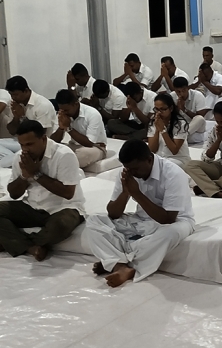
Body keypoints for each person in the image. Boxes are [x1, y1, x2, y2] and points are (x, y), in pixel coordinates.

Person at [83, 139, 194, 287]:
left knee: (170, 234)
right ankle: (119, 265)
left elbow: (168, 219)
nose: (132, 173)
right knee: (94, 221)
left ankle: (115, 260)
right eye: (128, 168)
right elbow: (113, 214)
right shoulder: (128, 172)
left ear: (149, 160)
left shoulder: (173, 174)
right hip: (140, 220)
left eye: (135, 169)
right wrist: (125, 192)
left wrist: (136, 193)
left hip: (175, 222)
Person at [0, 120, 85, 261]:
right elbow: (14, 194)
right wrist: (24, 176)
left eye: (30, 144)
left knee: (60, 226)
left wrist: (36, 174)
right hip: (32, 206)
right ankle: (31, 247)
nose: (25, 149)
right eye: (22, 145)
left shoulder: (64, 155)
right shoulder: (20, 157)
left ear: (44, 139)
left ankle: (13, 242)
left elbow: (68, 193)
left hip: (63, 208)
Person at [0, 76, 57, 168]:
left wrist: (22, 116)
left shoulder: (42, 105)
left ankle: (15, 160)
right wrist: (16, 117)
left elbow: (40, 134)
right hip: (21, 142)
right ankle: (16, 159)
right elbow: (12, 131)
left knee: (3, 163)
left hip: (39, 144)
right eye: (11, 95)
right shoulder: (16, 104)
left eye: (16, 94)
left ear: (26, 91)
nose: (13, 98)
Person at [51, 90, 107, 168]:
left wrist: (68, 128)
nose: (64, 113)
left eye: (66, 110)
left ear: (76, 104)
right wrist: (61, 128)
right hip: (74, 146)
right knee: (52, 148)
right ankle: (64, 166)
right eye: (61, 110)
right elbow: (54, 141)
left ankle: (64, 168)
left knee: (83, 154)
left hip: (95, 148)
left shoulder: (93, 114)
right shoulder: (62, 113)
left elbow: (90, 143)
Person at [147, 93, 191, 166]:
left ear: (171, 108)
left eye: (163, 109)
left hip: (178, 159)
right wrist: (157, 129)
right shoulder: (153, 122)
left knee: (165, 165)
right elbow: (152, 150)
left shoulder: (180, 123)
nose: (159, 113)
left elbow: (174, 150)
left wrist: (163, 130)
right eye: (156, 109)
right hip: (160, 158)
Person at [172, 77, 210, 144]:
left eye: (183, 90)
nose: (181, 94)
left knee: (199, 118)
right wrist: (177, 108)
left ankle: (182, 137)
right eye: (178, 91)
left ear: (188, 88)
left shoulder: (197, 95)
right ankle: (183, 138)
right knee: (191, 138)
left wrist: (184, 109)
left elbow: (201, 116)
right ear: (174, 90)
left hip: (196, 127)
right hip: (180, 127)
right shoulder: (172, 96)